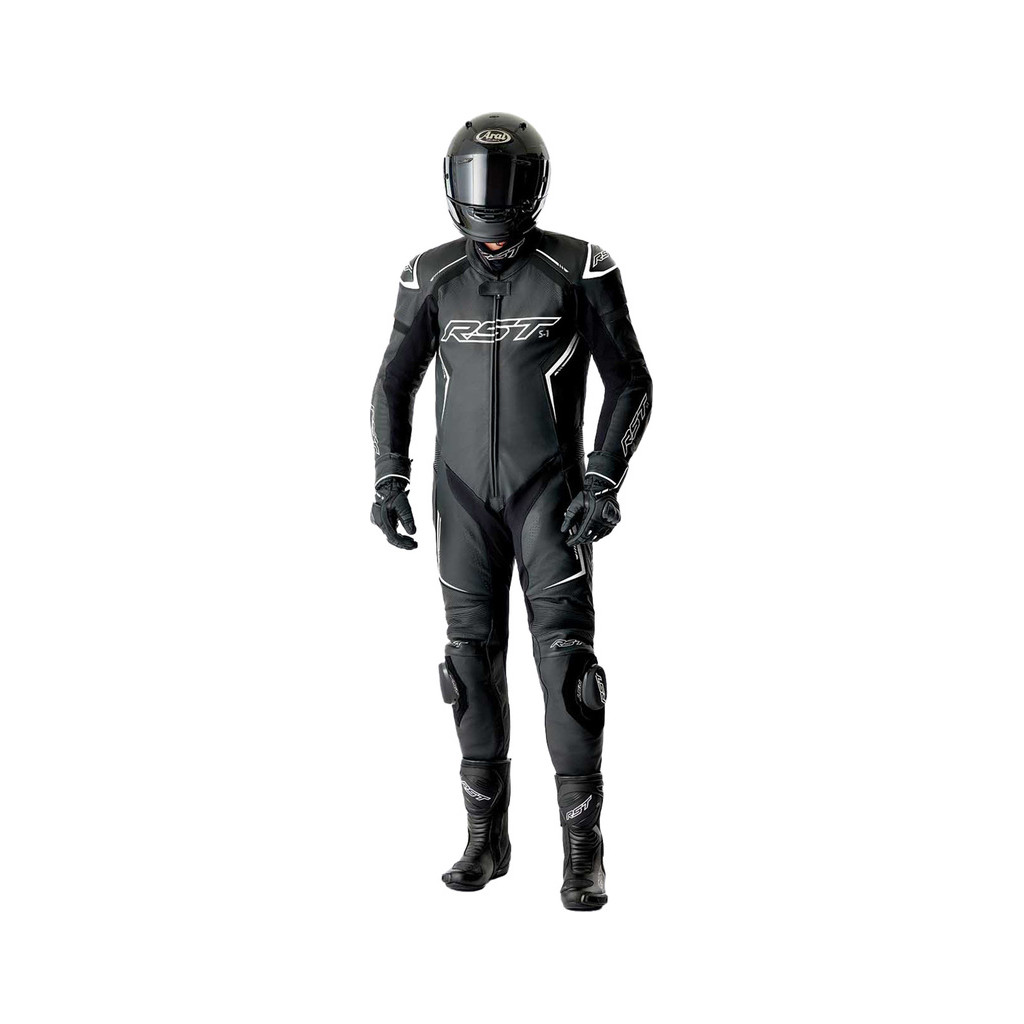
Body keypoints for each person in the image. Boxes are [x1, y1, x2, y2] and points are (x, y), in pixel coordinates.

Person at [370, 113, 652, 910]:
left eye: (504, 181)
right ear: (450, 184)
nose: (488, 198)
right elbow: (393, 380)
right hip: (461, 503)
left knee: (566, 666)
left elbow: (631, 380)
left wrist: (603, 480)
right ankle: (484, 841)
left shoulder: (580, 267)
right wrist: (388, 478)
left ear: (536, 185)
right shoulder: (428, 274)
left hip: (551, 500)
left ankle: (583, 855)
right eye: (475, 180)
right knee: (468, 663)